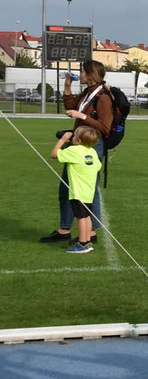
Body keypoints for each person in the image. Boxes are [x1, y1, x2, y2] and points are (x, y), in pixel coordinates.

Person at [39, 60, 112, 245]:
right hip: (78, 143)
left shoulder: (103, 97)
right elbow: (71, 106)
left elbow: (105, 127)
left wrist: (83, 117)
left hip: (92, 146)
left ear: (90, 74)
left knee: (86, 190)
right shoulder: (88, 93)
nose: (80, 73)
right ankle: (66, 229)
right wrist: (67, 87)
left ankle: (90, 232)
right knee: (68, 187)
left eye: (83, 71)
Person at [51, 126, 103, 255]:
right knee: (86, 217)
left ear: (79, 140)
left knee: (81, 217)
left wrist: (63, 140)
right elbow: (97, 166)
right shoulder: (92, 152)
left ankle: (82, 244)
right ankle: (87, 241)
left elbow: (54, 154)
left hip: (78, 192)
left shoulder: (74, 150)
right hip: (88, 192)